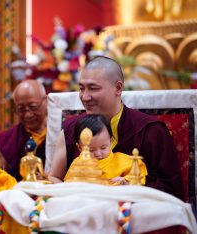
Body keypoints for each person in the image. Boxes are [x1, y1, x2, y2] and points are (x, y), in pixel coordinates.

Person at [48, 56, 184, 200]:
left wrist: (130, 189)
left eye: (93, 88)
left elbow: (171, 189)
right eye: (82, 89)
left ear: (118, 88)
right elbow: (54, 178)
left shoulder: (151, 131)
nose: (85, 97)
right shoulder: (71, 129)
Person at [64, 114, 147, 185]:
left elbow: (138, 176)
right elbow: (69, 185)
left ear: (110, 141)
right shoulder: (78, 164)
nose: (98, 154)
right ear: (79, 147)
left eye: (103, 148)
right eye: (91, 150)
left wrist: (125, 181)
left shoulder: (122, 160)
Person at [0, 80, 47, 181]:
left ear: (45, 101)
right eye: (20, 109)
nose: (27, 114)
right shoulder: (5, 142)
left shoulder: (62, 133)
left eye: (33, 107)